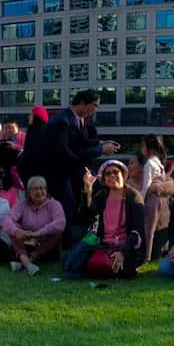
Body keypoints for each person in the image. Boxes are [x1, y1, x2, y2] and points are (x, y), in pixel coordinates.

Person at [36, 91, 119, 242]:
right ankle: (60, 242)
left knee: (72, 206)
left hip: (71, 172)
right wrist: (100, 150)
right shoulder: (62, 121)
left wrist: (102, 143)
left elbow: (81, 142)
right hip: (58, 173)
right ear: (82, 103)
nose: (95, 109)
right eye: (94, 105)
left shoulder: (78, 119)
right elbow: (67, 152)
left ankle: (66, 241)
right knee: (66, 206)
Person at [64, 163, 145, 280]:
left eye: (115, 172)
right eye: (108, 173)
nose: (112, 175)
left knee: (119, 271)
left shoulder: (134, 197)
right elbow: (86, 216)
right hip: (100, 243)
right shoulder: (102, 195)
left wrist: (122, 252)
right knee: (70, 263)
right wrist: (87, 190)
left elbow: (137, 231)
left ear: (124, 175)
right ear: (104, 179)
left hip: (124, 246)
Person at [0, 176, 67, 276]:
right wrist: (18, 232)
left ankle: (26, 262)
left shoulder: (54, 204)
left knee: (57, 232)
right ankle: (27, 263)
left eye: (41, 188)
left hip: (49, 250)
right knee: (14, 228)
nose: (39, 191)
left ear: (46, 190)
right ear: (28, 192)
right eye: (35, 189)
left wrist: (37, 234)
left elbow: (61, 223)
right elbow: (6, 219)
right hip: (28, 245)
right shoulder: (22, 205)